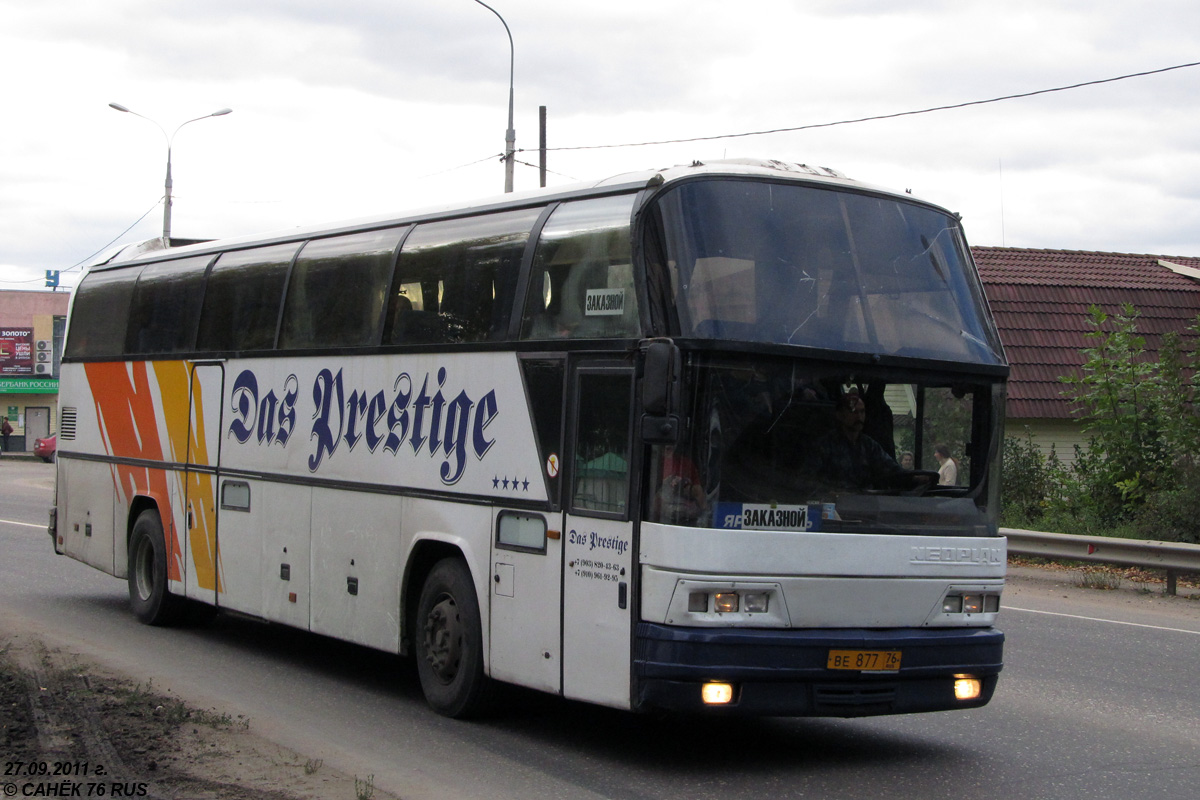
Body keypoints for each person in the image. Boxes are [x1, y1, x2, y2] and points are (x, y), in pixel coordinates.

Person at [803, 393, 915, 491]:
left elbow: (891, 469)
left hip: (865, 505)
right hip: (833, 507)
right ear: (840, 415)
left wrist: (915, 478)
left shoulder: (869, 446)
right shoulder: (826, 445)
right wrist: (830, 491)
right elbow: (808, 480)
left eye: (862, 412)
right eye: (853, 412)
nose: (859, 417)